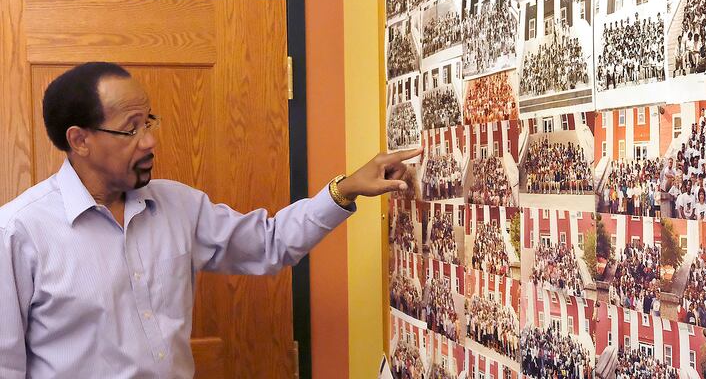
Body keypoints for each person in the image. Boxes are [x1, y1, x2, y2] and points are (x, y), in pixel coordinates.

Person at [0, 62, 422, 378]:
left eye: (149, 121)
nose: (150, 140)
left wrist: (345, 189)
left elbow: (270, 243)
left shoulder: (178, 207)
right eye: (131, 129)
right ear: (80, 140)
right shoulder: (19, 232)